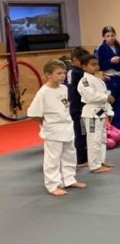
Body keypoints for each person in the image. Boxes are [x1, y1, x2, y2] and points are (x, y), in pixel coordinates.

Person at [27, 60, 87, 196]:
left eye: (64, 73)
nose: (63, 76)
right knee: (53, 158)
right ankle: (53, 185)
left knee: (70, 154)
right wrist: (45, 123)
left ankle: (69, 179)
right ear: (48, 75)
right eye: (59, 73)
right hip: (53, 129)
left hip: (67, 126)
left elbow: (65, 106)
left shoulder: (64, 88)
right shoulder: (43, 92)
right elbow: (33, 113)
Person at [78, 53, 115, 174]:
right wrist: (106, 97)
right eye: (92, 65)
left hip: (100, 112)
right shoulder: (85, 81)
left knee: (102, 138)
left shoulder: (97, 79)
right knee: (94, 139)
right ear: (84, 67)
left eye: (97, 64)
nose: (96, 67)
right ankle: (94, 165)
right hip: (91, 113)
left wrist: (109, 111)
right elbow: (90, 96)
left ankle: (100, 161)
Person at [95, 26, 120, 135]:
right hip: (110, 79)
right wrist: (110, 61)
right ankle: (113, 129)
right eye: (108, 36)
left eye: (112, 35)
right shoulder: (100, 49)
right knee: (112, 105)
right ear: (103, 37)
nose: (110, 38)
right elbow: (97, 65)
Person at [66, 46, 90, 169]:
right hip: (78, 108)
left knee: (83, 132)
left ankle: (84, 157)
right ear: (75, 60)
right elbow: (73, 91)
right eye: (83, 61)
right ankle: (81, 159)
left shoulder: (75, 72)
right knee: (81, 133)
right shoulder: (76, 73)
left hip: (79, 107)